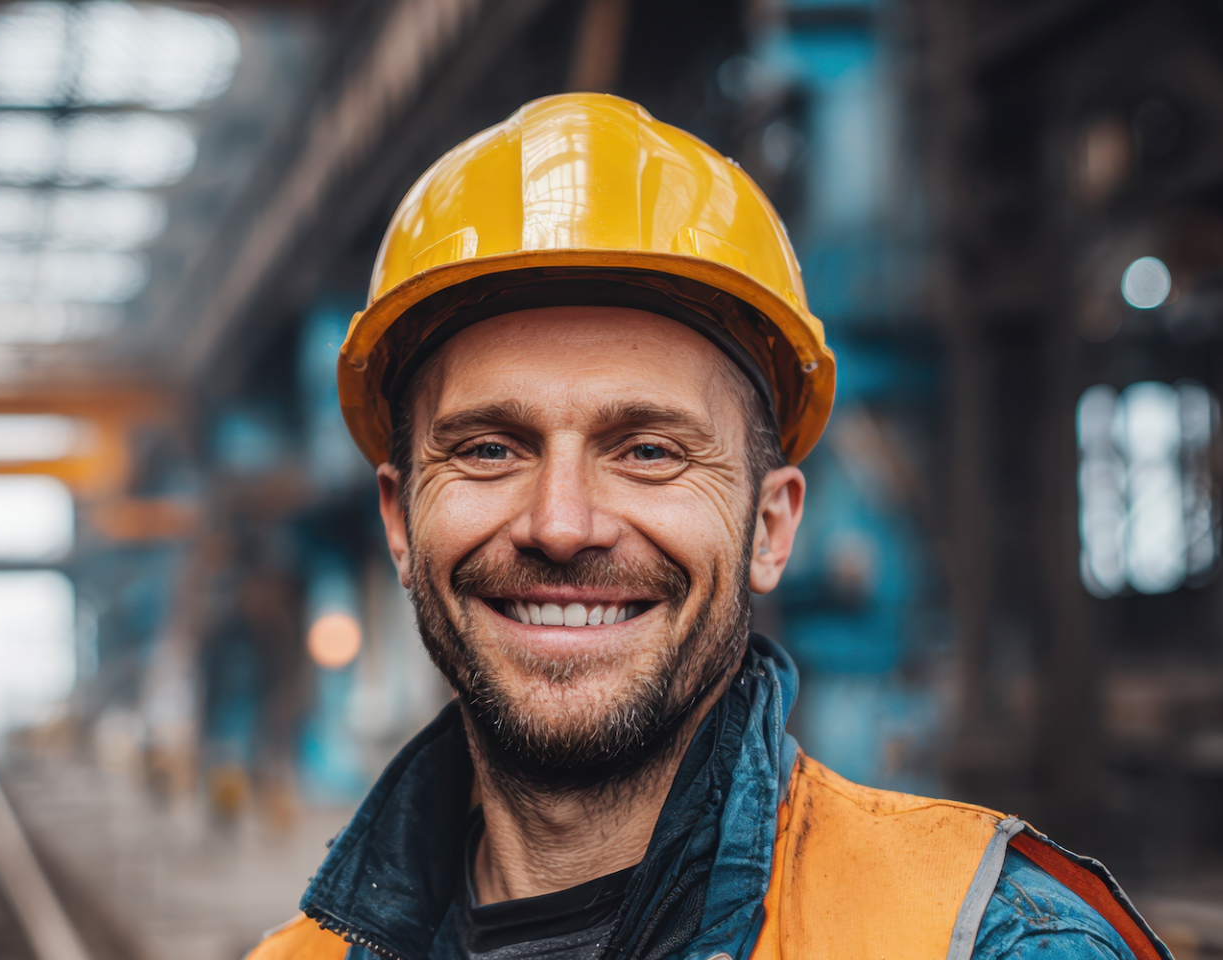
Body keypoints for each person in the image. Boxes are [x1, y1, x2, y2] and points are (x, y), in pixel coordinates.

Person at [248, 94, 1170, 960]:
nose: (560, 525)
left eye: (648, 450)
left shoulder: (979, 942)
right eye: (489, 449)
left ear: (771, 526)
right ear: (399, 520)